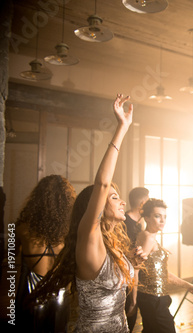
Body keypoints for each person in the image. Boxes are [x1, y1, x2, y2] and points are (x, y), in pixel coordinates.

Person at [33, 94, 141, 332]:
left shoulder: (111, 243)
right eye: (114, 197)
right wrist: (122, 128)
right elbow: (102, 184)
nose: (122, 201)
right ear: (98, 207)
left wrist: (134, 262)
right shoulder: (89, 237)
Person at [14, 175, 76, 331]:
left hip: (29, 296)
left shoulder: (20, 228)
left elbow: (9, 261)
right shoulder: (71, 231)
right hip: (61, 297)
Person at [135, 198, 193, 333]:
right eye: (157, 216)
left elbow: (161, 274)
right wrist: (132, 301)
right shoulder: (148, 238)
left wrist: (188, 285)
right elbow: (135, 269)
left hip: (154, 299)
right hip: (152, 299)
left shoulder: (149, 237)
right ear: (147, 218)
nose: (162, 220)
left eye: (164, 217)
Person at [124, 186, 149, 330]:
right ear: (142, 204)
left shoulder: (140, 222)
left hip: (137, 279)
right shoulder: (125, 222)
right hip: (127, 278)